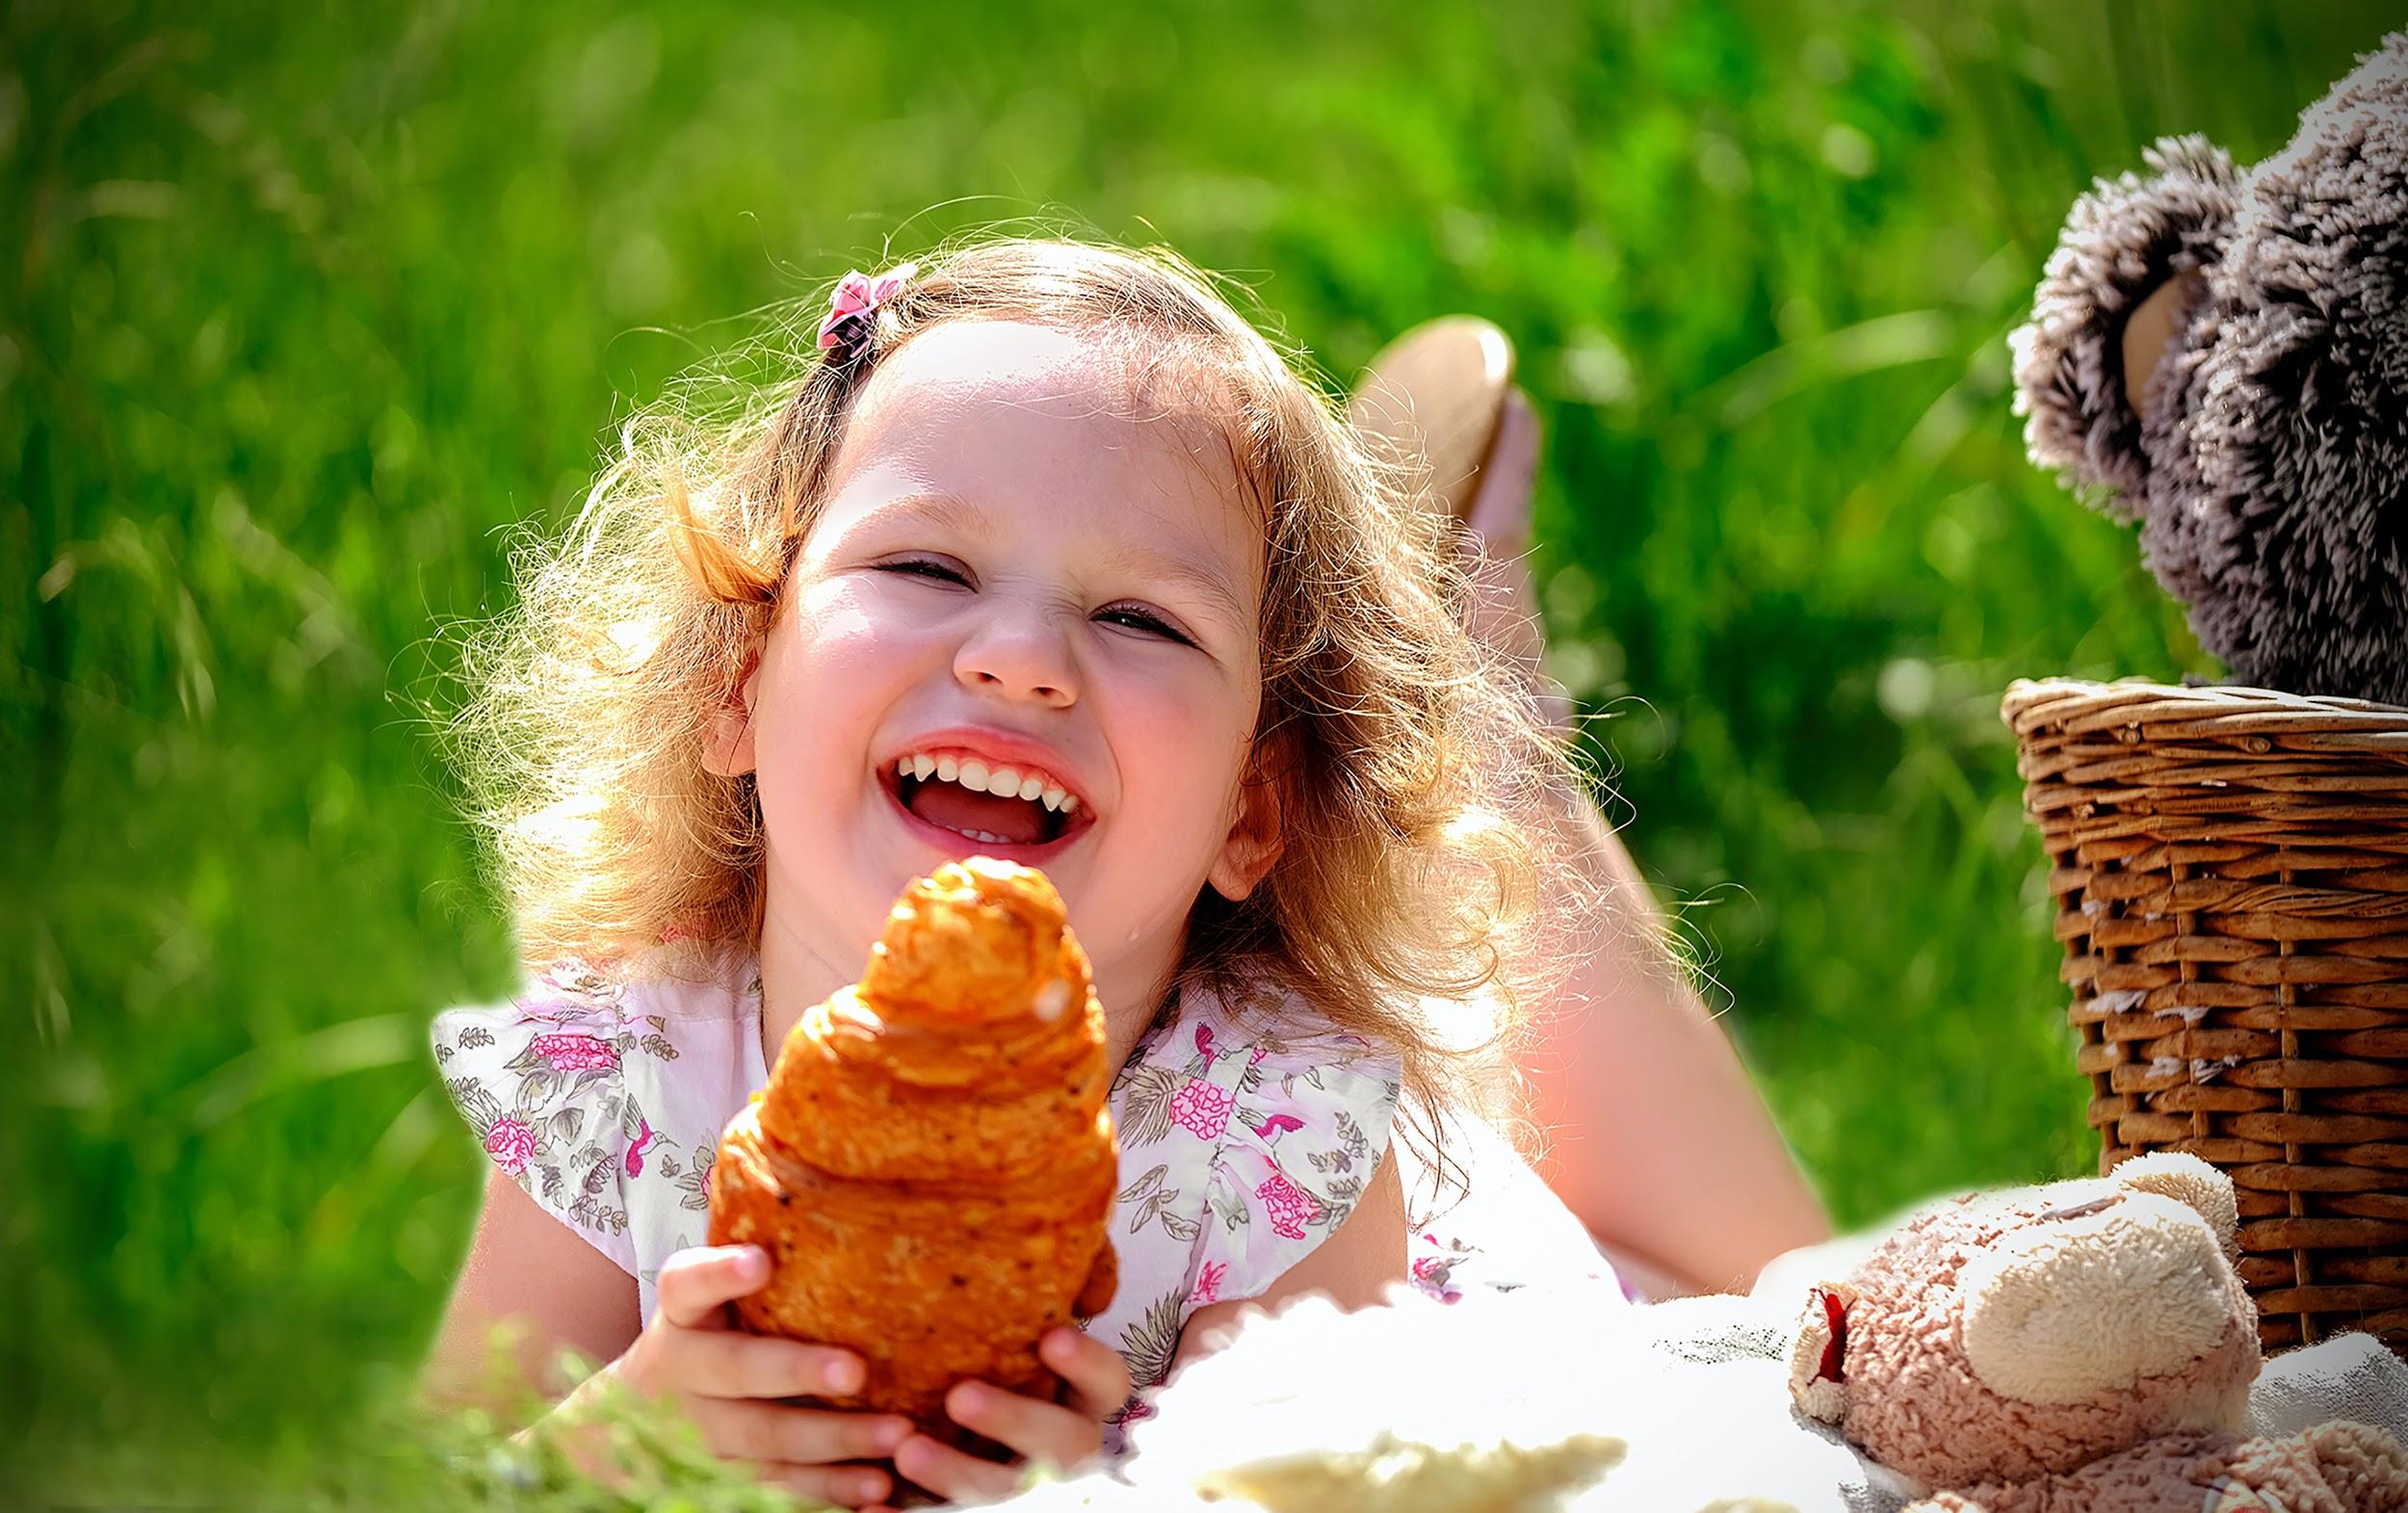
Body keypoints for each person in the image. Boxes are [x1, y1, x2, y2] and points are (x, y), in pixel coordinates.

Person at [422, 237, 1822, 1507]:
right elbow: (441, 1484)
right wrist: (603, 1451)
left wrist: (1103, 1492)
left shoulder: (1276, 1143)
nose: (1020, 656)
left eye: (1140, 618)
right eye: (924, 564)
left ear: (1252, 808)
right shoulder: (615, 1076)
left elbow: (1350, 1493)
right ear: (737, 681)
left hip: (1471, 1357)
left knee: (1795, 1325)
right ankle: (1449, 660)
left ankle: (1474, 689)